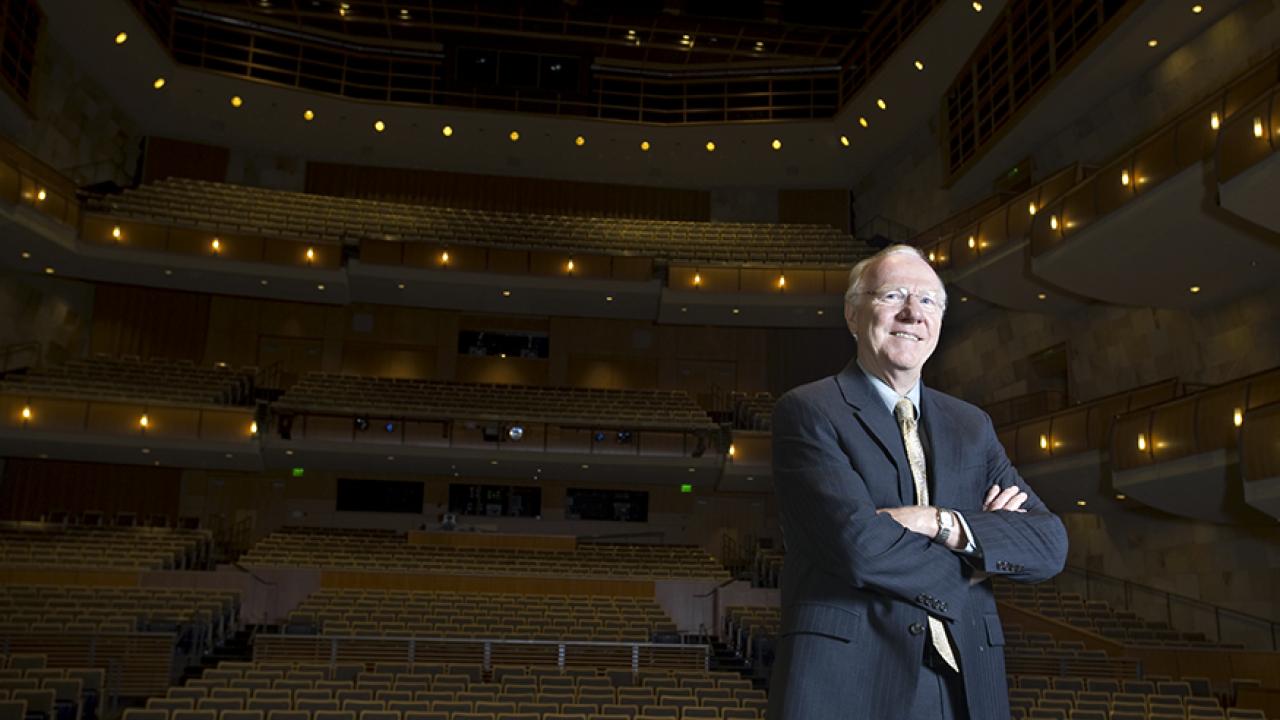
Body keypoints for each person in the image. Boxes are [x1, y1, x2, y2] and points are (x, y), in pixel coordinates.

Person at [768, 245, 1067, 720]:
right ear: (852, 314)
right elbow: (860, 548)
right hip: (853, 683)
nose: (913, 312)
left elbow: (1048, 544)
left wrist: (939, 522)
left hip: (966, 686)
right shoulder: (808, 411)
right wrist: (978, 556)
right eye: (893, 295)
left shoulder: (971, 425)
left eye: (928, 300)